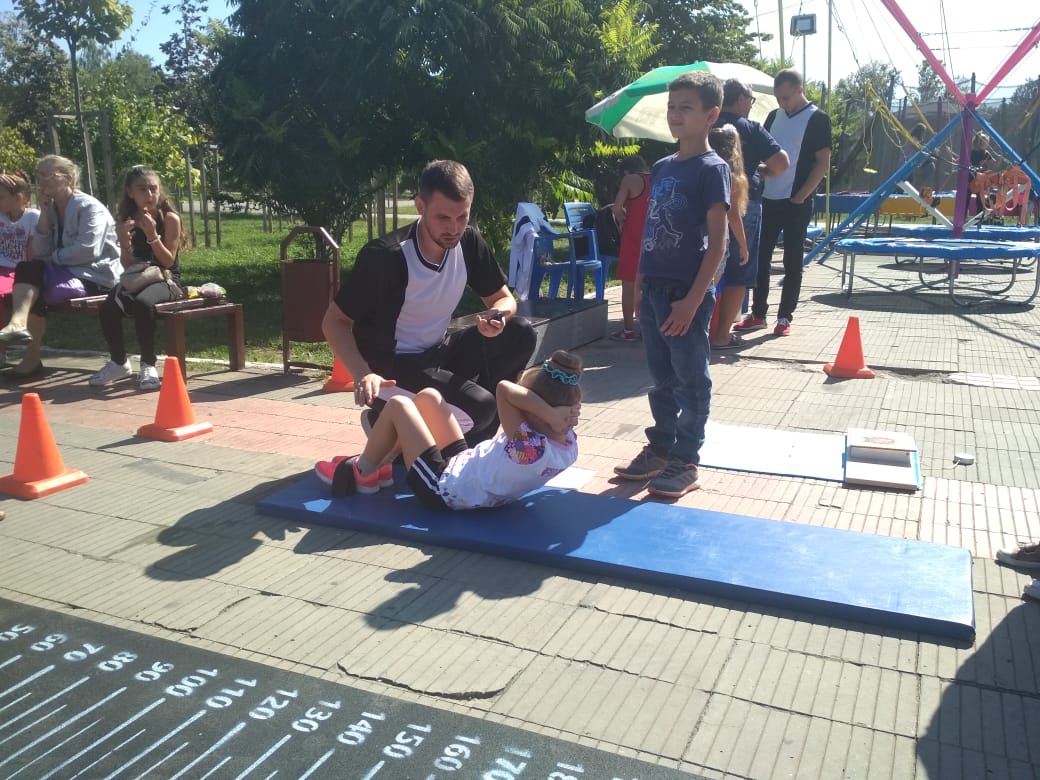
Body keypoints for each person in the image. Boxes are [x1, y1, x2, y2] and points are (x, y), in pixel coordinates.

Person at [323, 159, 536, 446]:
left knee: (521, 333)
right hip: (391, 369)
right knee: (481, 407)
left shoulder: (468, 242)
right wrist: (363, 373)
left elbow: (503, 298)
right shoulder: (387, 257)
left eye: (462, 217)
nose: (454, 228)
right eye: (443, 218)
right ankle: (393, 425)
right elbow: (334, 321)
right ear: (420, 206)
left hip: (438, 352)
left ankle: (468, 441)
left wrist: (498, 315)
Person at [613, 72, 730, 498]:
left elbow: (718, 243)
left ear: (711, 115)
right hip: (656, 290)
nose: (675, 114)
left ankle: (686, 459)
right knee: (661, 376)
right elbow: (651, 232)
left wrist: (693, 301)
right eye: (671, 107)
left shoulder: (713, 169)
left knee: (691, 379)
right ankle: (661, 446)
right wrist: (642, 287)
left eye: (686, 107)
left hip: (686, 293)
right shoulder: (662, 167)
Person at [315, 350, 582, 510]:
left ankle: (362, 471)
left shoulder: (531, 449)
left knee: (398, 405)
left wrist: (548, 412)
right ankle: (381, 462)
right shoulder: (568, 443)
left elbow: (504, 389)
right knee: (429, 397)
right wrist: (553, 414)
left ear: (537, 411)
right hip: (465, 469)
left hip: (442, 489)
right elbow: (550, 398)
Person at [0, 155, 120, 378]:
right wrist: (45, 215)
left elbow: (88, 250)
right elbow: (39, 251)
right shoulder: (52, 208)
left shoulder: (90, 208)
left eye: (49, 175)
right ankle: (22, 337)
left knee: (32, 275)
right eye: (40, 175)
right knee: (29, 271)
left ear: (70, 178)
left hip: (95, 276)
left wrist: (52, 258)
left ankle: (22, 336)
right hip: (64, 273)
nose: (42, 180)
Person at [734, 69, 831, 337]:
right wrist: (761, 173)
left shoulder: (818, 119)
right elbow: (763, 153)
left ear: (800, 90)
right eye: (778, 98)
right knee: (760, 258)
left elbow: (822, 163)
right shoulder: (773, 116)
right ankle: (758, 313)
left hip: (796, 201)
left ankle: (785, 316)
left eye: (786, 98)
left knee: (792, 260)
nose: (782, 103)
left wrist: (801, 195)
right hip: (767, 198)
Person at [89, 165, 183, 390]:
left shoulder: (169, 218)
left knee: (143, 304)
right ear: (130, 192)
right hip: (139, 277)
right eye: (142, 189)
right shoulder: (127, 219)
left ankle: (148, 365)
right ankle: (119, 362)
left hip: (166, 279)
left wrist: (152, 235)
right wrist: (124, 243)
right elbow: (128, 266)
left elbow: (168, 262)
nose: (149, 195)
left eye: (153, 189)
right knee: (108, 307)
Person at [711, 79, 789, 349]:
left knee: (703, 266)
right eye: (751, 100)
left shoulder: (705, 122)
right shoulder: (751, 129)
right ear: (742, 99)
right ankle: (722, 334)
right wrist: (760, 170)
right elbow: (782, 163)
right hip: (745, 203)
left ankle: (698, 329)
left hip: (703, 202)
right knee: (739, 269)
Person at [707, 124, 750, 339]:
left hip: (695, 236)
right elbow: (732, 215)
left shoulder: (702, 169)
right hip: (717, 240)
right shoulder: (729, 175)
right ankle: (703, 337)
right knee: (707, 291)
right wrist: (743, 245)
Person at [610, 155, 651, 341]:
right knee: (651, 284)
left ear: (626, 171)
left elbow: (616, 208)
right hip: (655, 237)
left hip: (634, 236)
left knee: (629, 283)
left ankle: (628, 330)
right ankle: (650, 327)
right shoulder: (657, 177)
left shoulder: (630, 180)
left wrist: (623, 220)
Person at [0, 172, 39, 296]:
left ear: (18, 198)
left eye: (1, 197)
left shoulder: (33, 217)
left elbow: (31, 254)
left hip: (18, 272)